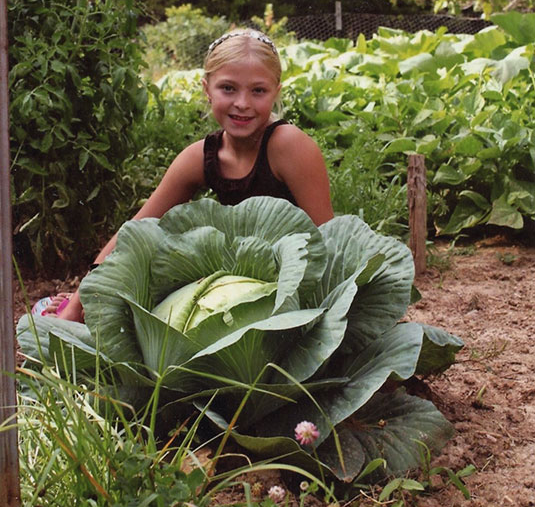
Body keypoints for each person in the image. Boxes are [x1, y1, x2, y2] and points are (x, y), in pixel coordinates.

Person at [38, 29, 334, 322]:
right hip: (233, 289)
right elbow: (135, 231)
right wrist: (78, 305)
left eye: (258, 90)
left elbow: (331, 242)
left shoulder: (288, 146)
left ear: (276, 91)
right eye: (228, 88)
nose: (242, 103)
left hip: (295, 295)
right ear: (207, 89)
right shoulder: (201, 157)